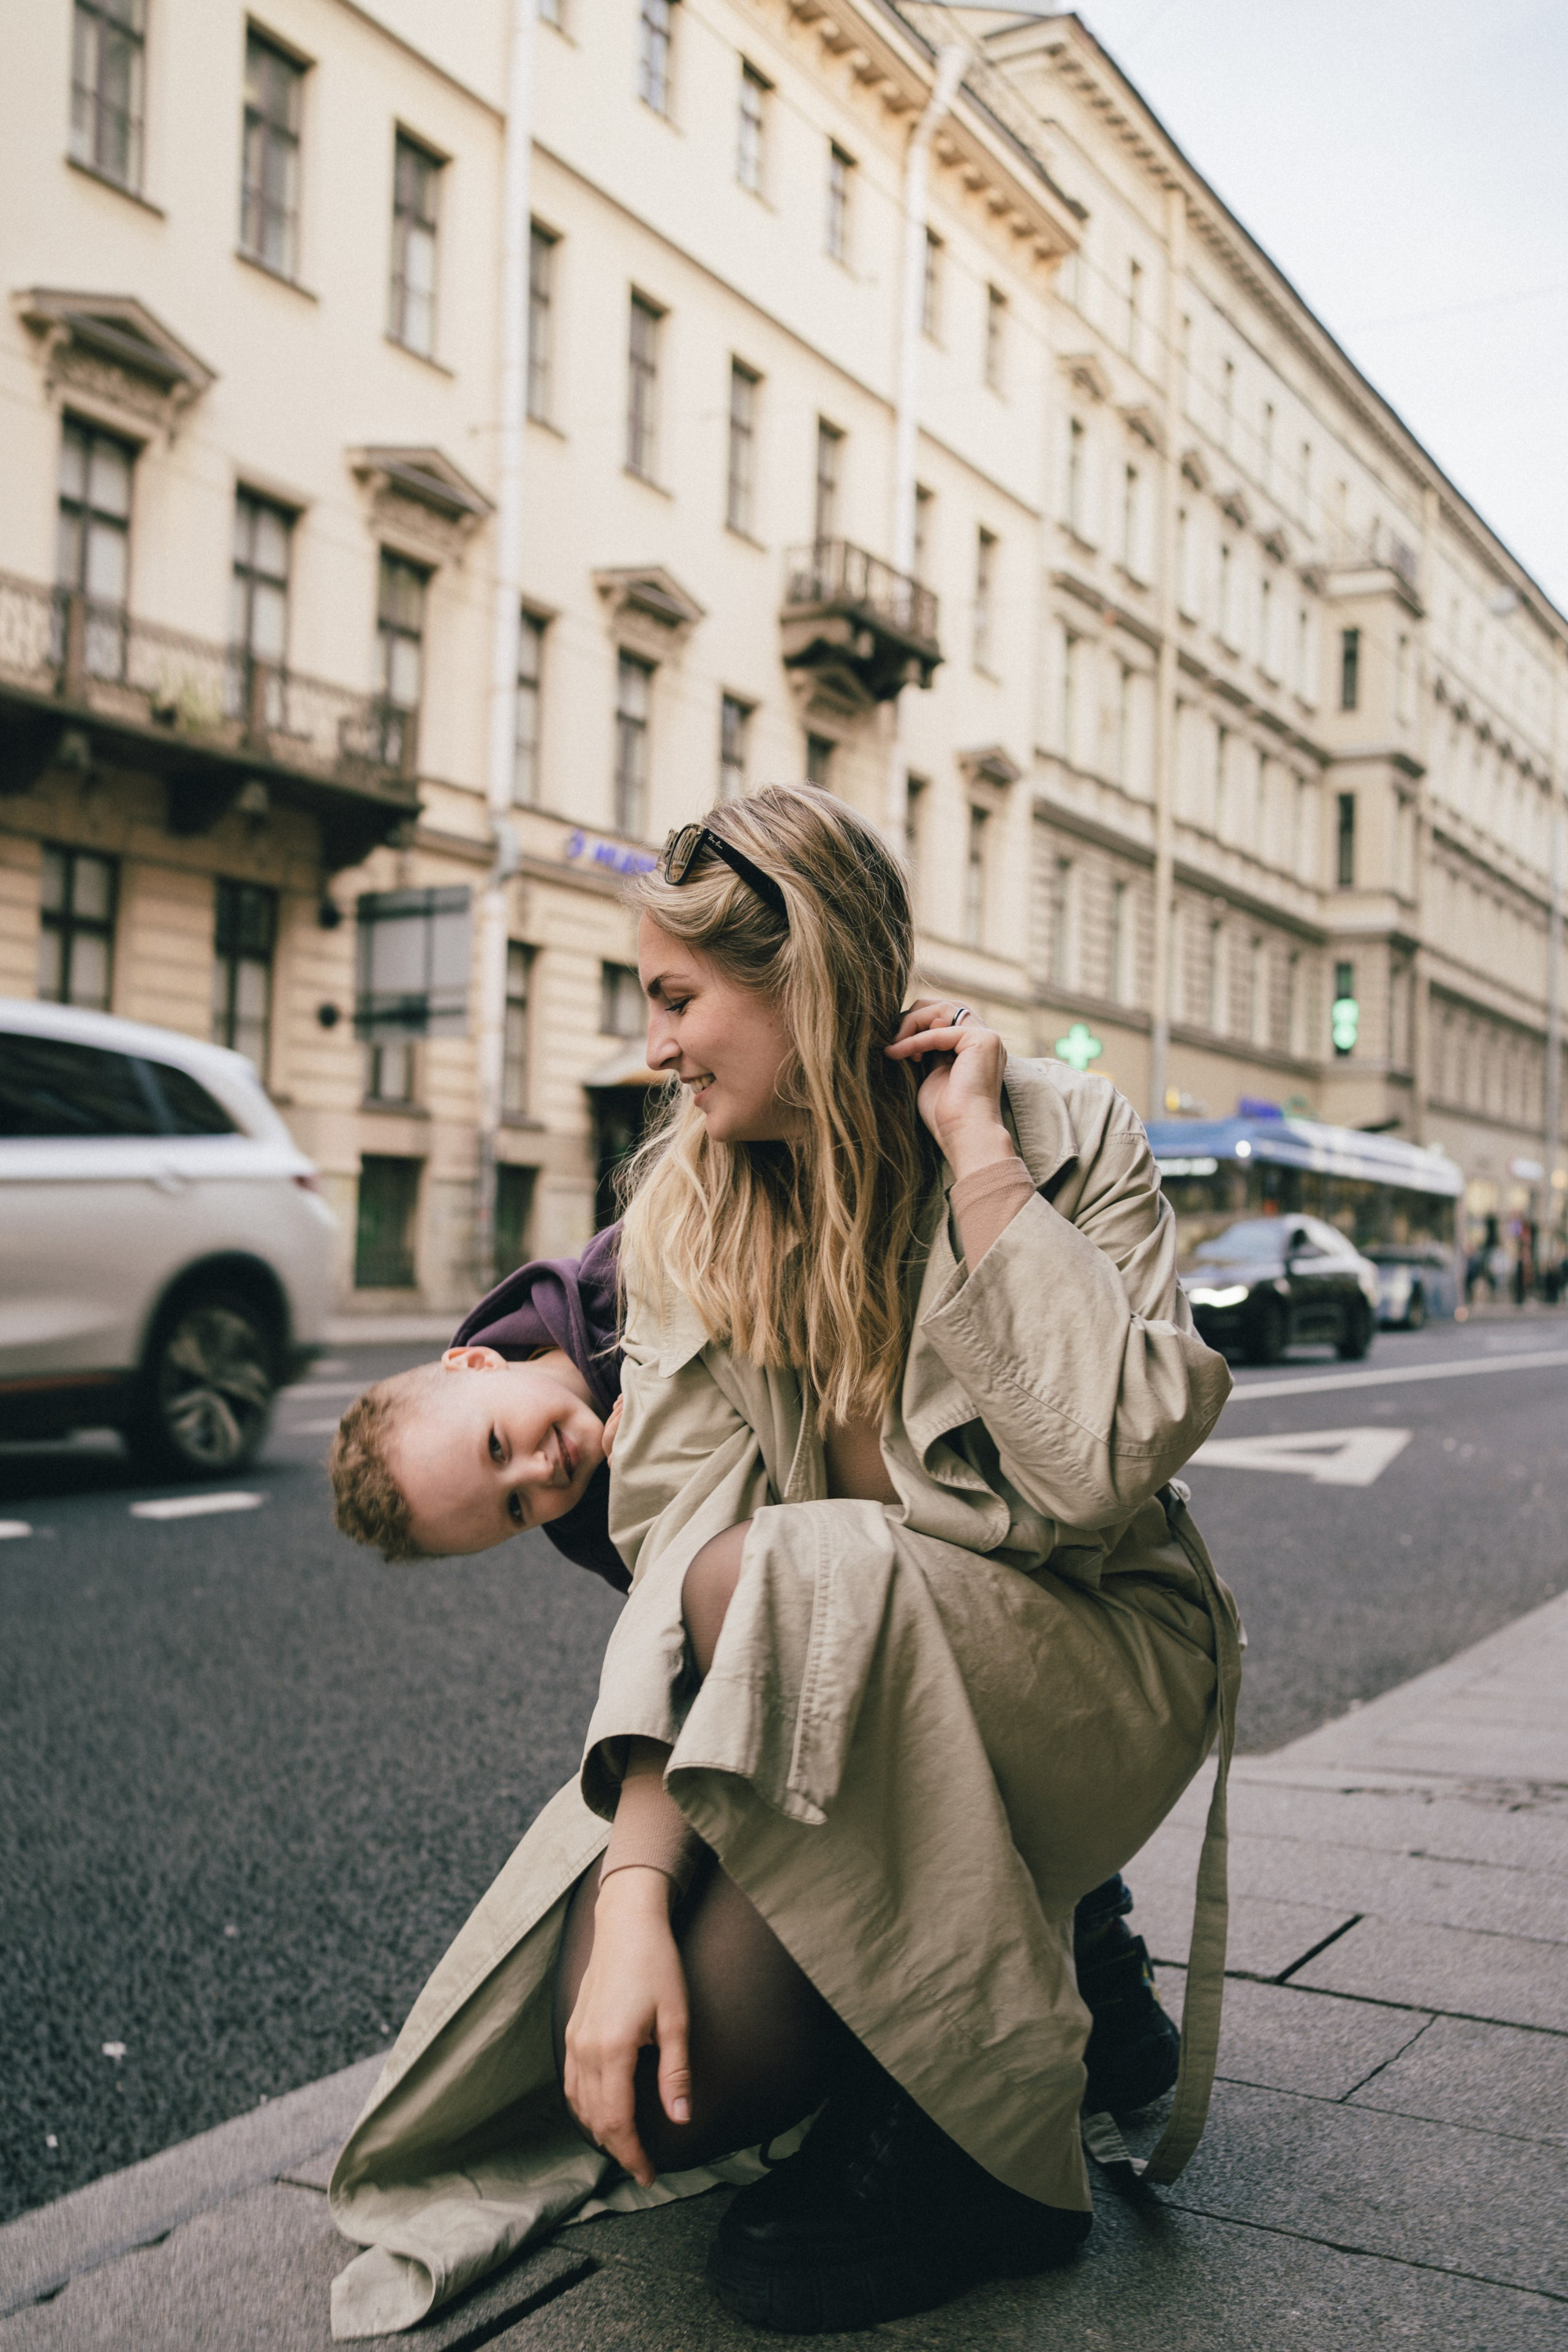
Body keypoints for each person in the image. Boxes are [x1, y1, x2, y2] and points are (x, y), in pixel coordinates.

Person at [327, 785, 1240, 2342]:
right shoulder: (687, 1208)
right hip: (865, 1686)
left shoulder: (1060, 1132)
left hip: (1094, 1673)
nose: (658, 1046)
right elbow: (673, 1538)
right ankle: (970, 2030)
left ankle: (983, 2162)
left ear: (802, 972)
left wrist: (975, 1163)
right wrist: (627, 1902)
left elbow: (1092, 1471)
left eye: (676, 1000)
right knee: (656, 2081)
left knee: (771, 1575)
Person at [330, 1232, 1183, 2127]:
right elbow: (686, 1635)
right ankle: (1038, 1977)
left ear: (472, 1361)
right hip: (829, 1620)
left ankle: (1062, 1970)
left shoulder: (629, 1272)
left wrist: (671, 1428)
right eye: (515, 1508)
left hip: (967, 1544)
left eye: (500, 1445)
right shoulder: (587, 1506)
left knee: (847, 1738)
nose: (544, 1475)